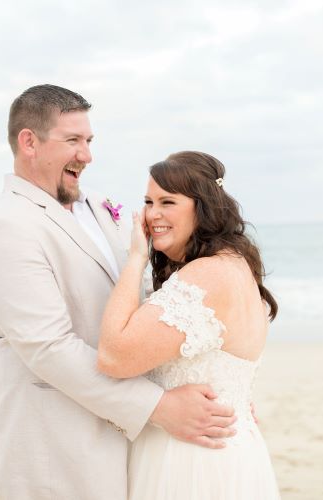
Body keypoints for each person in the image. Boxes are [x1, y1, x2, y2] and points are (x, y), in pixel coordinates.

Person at [0, 85, 236, 500]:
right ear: (29, 142)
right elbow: (48, 347)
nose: (87, 156)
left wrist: (216, 392)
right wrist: (159, 408)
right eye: (72, 140)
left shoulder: (97, 205)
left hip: (130, 443)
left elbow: (151, 302)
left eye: (88, 141)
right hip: (58, 449)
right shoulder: (5, 227)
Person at [98, 151, 281, 499]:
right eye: (149, 201)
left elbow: (113, 356)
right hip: (229, 448)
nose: (153, 215)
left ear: (203, 207)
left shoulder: (207, 274)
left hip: (191, 460)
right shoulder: (238, 266)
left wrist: (136, 258)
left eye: (168, 202)